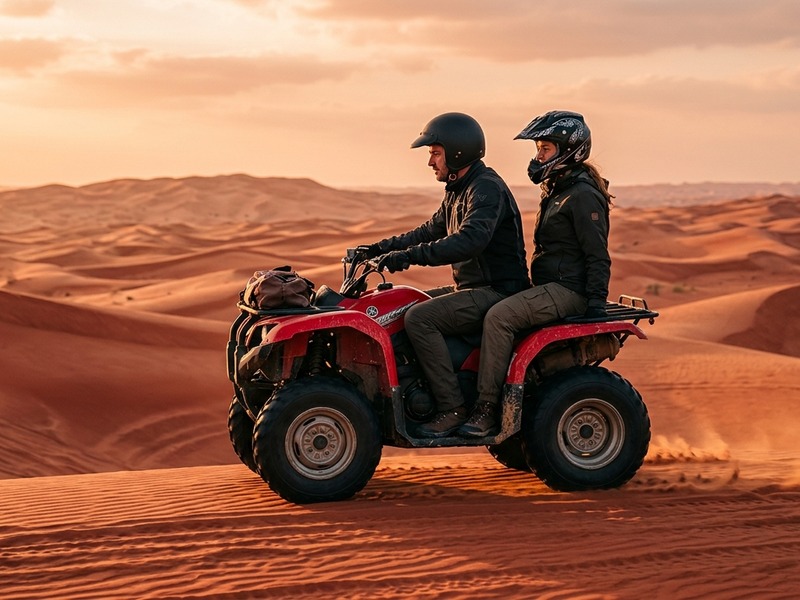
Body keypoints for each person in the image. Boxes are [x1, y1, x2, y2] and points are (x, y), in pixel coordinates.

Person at [359, 112, 530, 438]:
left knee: (421, 318)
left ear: (457, 152)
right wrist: (378, 250)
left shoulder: (485, 189)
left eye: (435, 153)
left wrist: (407, 258)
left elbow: (469, 241)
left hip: (498, 291)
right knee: (403, 308)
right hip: (472, 288)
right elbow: (430, 230)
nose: (430, 162)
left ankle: (453, 408)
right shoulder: (458, 188)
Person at [458, 110, 613, 437]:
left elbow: (597, 254)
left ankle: (486, 408)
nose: (538, 156)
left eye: (545, 149)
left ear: (568, 150)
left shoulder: (582, 194)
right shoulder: (559, 188)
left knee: (499, 317)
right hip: (548, 287)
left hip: (569, 290)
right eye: (538, 149)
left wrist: (595, 302)